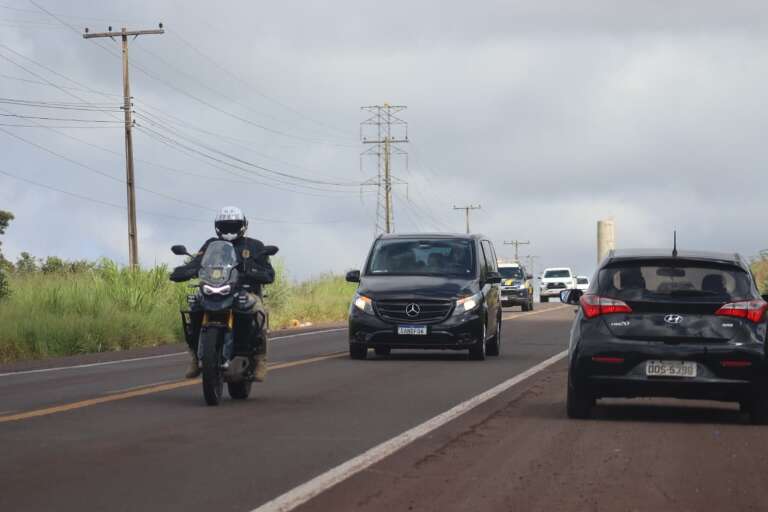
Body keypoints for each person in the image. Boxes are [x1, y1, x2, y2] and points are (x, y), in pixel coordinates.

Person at [170, 206, 275, 381]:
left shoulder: (255, 246)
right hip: (213, 289)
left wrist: (252, 270)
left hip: (244, 291)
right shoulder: (212, 245)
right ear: (218, 227)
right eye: (225, 226)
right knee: (194, 306)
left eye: (233, 226)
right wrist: (181, 271)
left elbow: (269, 273)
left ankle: (260, 361)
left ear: (242, 225)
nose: (229, 230)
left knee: (258, 311)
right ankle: (196, 358)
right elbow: (197, 262)